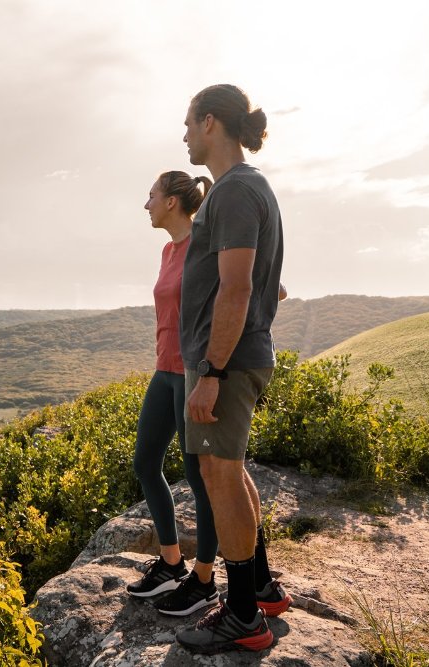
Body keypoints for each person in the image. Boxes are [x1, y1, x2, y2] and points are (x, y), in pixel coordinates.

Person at [173, 84, 290, 654]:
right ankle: (260, 587)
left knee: (219, 476)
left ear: (211, 123)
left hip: (227, 361)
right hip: (232, 356)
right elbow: (255, 279)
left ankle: (242, 614)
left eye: (189, 123)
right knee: (230, 470)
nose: (185, 134)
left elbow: (238, 284)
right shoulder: (242, 190)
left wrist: (213, 369)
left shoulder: (236, 191)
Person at [126, 170, 222, 617]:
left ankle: (205, 579)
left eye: (150, 197)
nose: (145, 205)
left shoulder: (205, 244)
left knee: (197, 475)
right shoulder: (168, 250)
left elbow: (256, 284)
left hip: (192, 373)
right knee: (146, 462)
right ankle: (171, 563)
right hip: (164, 371)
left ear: (170, 203)